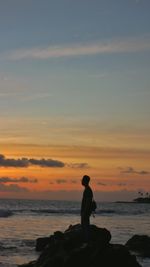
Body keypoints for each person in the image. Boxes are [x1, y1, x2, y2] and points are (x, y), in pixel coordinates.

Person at [81, 175, 93, 243]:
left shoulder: (88, 190)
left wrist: (84, 212)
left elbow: (88, 202)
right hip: (85, 211)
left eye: (82, 180)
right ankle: (86, 241)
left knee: (85, 227)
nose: (81, 181)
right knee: (85, 226)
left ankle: (87, 241)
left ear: (85, 181)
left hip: (86, 212)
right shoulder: (87, 189)